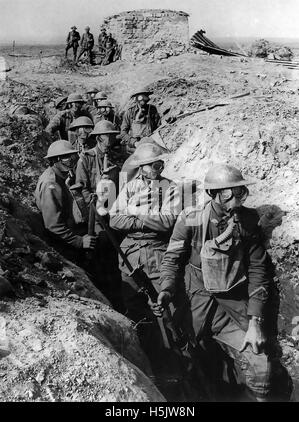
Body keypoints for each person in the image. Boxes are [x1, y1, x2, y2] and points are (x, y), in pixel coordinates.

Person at [156, 164, 275, 402]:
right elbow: (172, 259)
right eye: (229, 194)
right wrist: (166, 290)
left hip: (230, 307)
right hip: (193, 304)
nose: (236, 200)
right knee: (180, 365)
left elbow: (259, 271)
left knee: (262, 367)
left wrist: (254, 321)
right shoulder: (191, 220)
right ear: (214, 194)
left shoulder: (249, 221)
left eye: (240, 192)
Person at [109, 143, 181, 374]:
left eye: (160, 163)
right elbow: (114, 220)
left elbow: (167, 221)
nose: (158, 168)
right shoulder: (130, 187)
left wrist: (136, 212)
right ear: (142, 166)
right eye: (153, 164)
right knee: (135, 308)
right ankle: (147, 360)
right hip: (131, 254)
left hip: (158, 253)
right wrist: (141, 221)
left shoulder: (170, 188)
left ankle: (178, 362)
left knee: (167, 310)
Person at [75, 120, 126, 310]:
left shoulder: (116, 157)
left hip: (113, 212)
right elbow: (81, 188)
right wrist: (95, 204)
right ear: (98, 138)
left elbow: (122, 185)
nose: (111, 139)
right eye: (108, 135)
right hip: (95, 214)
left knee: (114, 253)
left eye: (113, 135)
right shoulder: (86, 158)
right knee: (99, 252)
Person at [34, 140, 96, 264]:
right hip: (61, 243)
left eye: (72, 156)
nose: (72, 160)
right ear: (56, 159)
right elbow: (53, 225)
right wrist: (80, 241)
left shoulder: (62, 176)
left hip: (69, 232)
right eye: (66, 157)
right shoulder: (51, 184)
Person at [120, 89, 161, 154]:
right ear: (136, 99)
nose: (142, 101)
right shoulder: (130, 112)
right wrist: (134, 142)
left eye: (144, 97)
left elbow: (158, 127)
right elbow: (123, 133)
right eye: (139, 97)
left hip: (150, 143)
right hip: (134, 146)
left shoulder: (152, 109)